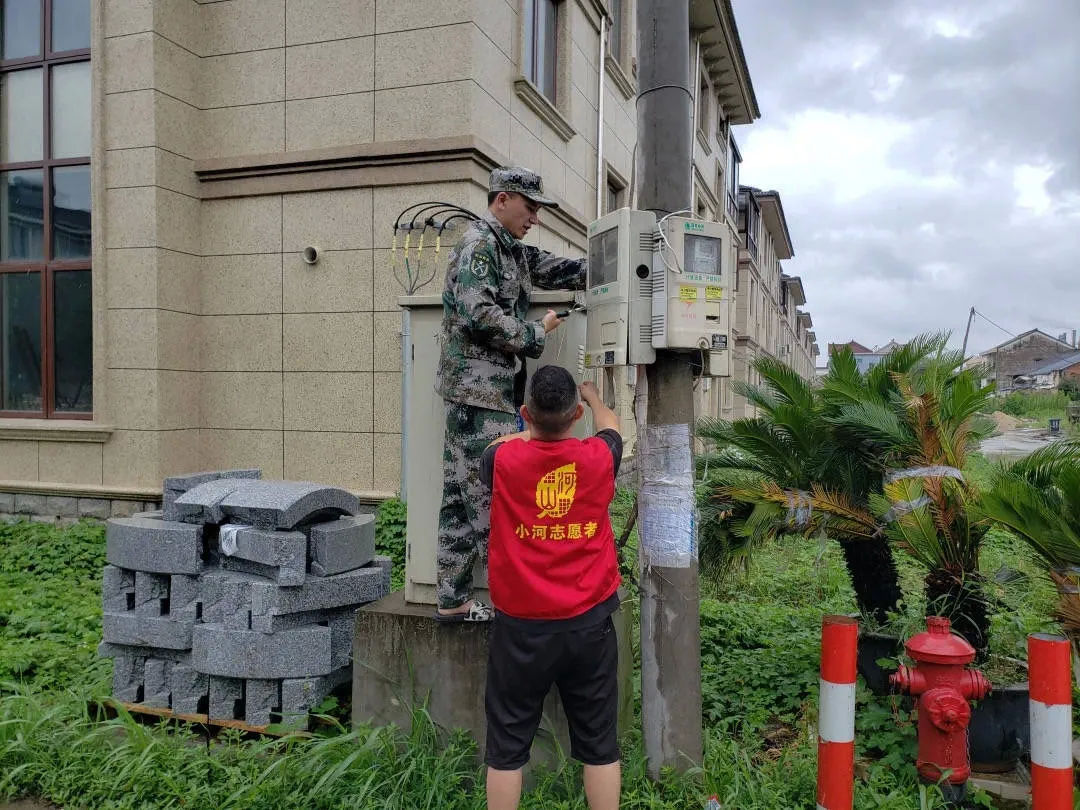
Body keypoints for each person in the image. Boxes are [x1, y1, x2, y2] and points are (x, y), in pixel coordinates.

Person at [433, 167, 586, 622]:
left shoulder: (510, 250)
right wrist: (535, 332)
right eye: (530, 207)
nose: (535, 217)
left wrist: (611, 264)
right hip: (479, 397)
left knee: (461, 502)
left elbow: (553, 267)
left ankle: (453, 602)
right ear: (502, 200)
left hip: (483, 394)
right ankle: (513, 607)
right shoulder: (479, 245)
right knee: (493, 500)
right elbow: (478, 312)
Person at [480, 367, 623, 810]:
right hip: (589, 624)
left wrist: (527, 431)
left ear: (525, 414)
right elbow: (612, 427)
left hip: (520, 630)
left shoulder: (501, 461)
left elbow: (496, 446)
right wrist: (595, 399)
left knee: (506, 749)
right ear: (576, 414)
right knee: (600, 744)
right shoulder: (599, 457)